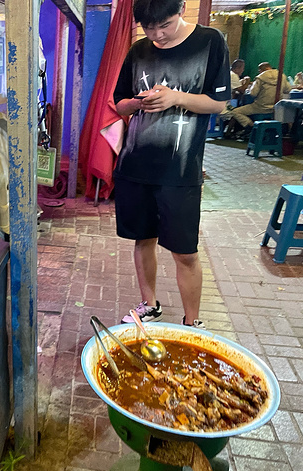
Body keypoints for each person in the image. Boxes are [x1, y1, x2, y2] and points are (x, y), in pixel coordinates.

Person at [112, 0, 230, 328]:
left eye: (164, 25)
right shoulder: (138, 50)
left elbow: (218, 103)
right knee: (143, 239)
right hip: (136, 165)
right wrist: (139, 102)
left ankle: (192, 323)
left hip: (180, 170)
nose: (157, 35)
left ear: (181, 9)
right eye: (148, 28)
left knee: (185, 252)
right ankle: (149, 305)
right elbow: (120, 105)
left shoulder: (209, 42)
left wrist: (176, 98)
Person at [227, 62, 291, 137]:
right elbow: (288, 89)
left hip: (260, 107)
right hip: (276, 107)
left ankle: (251, 126)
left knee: (235, 111)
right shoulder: (281, 76)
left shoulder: (260, 78)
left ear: (261, 70)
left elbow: (253, 93)